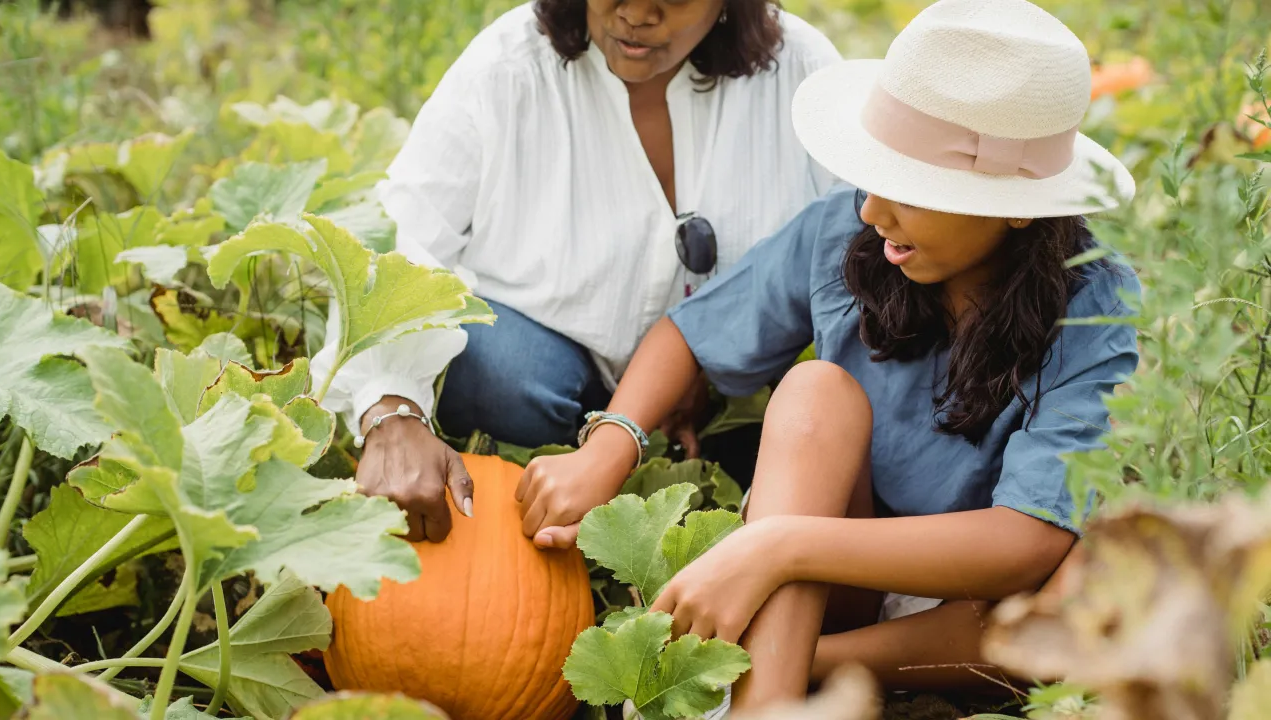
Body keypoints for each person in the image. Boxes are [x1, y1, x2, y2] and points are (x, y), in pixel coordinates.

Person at [513, 0, 1140, 714]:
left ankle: (796, 669)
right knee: (816, 391)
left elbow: (1021, 545)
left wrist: (778, 546)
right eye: (875, 176)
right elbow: (687, 333)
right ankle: (767, 700)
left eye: (911, 189)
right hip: (836, 568)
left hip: (982, 616)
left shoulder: (1095, 308)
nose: (873, 210)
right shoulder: (851, 234)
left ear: (1020, 206)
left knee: (1089, 593)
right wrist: (611, 444)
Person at [308, 0, 845, 544]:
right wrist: (391, 406)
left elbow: (856, 253)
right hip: (551, 377)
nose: (636, 13)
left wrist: (710, 365)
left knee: (796, 417)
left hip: (726, 397)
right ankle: (572, 468)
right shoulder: (506, 68)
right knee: (494, 371)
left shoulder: (802, 75)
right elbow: (405, 235)